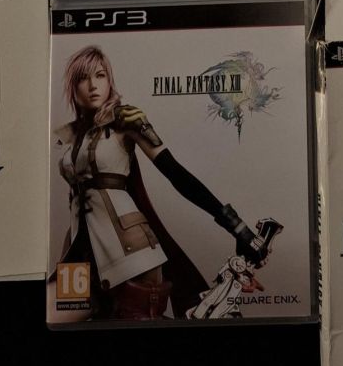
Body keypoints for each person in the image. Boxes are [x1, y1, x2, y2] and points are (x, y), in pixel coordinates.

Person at [52, 45, 267, 320]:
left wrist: (237, 227)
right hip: (80, 252)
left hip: (130, 251)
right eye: (84, 78)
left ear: (110, 81)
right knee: (59, 321)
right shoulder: (68, 138)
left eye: (100, 75)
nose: (93, 85)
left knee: (132, 323)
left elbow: (176, 173)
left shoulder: (126, 122)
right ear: (72, 87)